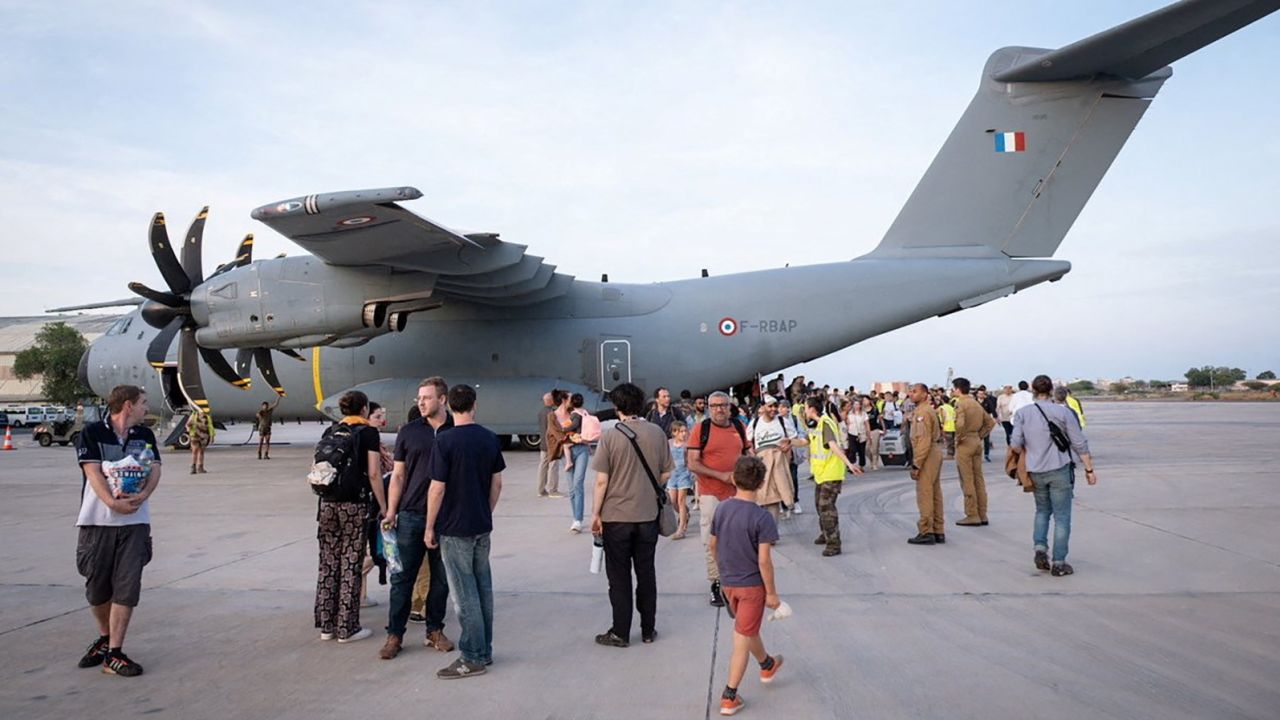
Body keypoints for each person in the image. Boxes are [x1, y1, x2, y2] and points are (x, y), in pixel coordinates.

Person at [74, 385, 161, 677]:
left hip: (134, 524)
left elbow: (155, 470)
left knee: (127, 587)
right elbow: (92, 472)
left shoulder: (145, 436)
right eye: (142, 403)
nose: (146, 408)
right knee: (97, 590)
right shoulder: (93, 433)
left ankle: (114, 652)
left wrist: (143, 496)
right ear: (127, 405)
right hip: (97, 522)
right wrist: (112, 503)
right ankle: (104, 636)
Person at [425, 384, 505, 678]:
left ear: (450, 406)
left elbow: (437, 488)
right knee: (483, 588)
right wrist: (486, 512)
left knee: (463, 593)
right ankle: (484, 650)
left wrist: (430, 526)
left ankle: (471, 656)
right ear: (474, 405)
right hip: (481, 525)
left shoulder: (444, 441)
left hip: (454, 527)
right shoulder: (488, 438)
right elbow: (497, 484)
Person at [377, 378, 456, 660]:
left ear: (443, 400)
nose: (421, 402)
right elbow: (397, 476)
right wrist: (391, 511)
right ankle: (394, 635)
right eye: (419, 398)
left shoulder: (456, 430)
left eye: (427, 397)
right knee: (402, 578)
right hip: (411, 515)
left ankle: (434, 630)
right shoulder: (409, 432)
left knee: (441, 580)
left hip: (447, 518)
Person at [590, 382, 673, 647]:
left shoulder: (611, 436)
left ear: (617, 407)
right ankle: (648, 630)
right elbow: (667, 472)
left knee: (619, 577)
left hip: (616, 517)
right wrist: (650, 489)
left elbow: (602, 481)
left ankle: (620, 632)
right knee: (646, 573)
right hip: (647, 515)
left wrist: (595, 514)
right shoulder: (657, 433)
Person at [710, 456, 786, 716]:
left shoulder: (721, 509)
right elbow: (764, 561)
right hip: (752, 587)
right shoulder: (762, 518)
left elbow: (713, 544)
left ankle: (767, 664)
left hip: (729, 583)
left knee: (746, 627)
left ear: (733, 478)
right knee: (741, 638)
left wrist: (722, 570)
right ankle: (729, 695)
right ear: (762, 483)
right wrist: (772, 593)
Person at [315, 391, 388, 644]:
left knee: (328, 562)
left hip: (326, 504)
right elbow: (374, 473)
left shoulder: (331, 431)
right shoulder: (367, 433)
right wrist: (384, 506)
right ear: (365, 409)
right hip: (354, 506)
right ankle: (347, 627)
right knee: (350, 563)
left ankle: (327, 625)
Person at [1010, 375, 1097, 576]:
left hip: (1035, 470)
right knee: (1062, 516)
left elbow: (1015, 444)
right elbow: (1079, 442)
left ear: (1033, 390)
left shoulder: (1023, 413)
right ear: (1051, 390)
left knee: (1042, 511)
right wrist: (1089, 469)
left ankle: (1040, 549)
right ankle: (1059, 562)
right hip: (1059, 469)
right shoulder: (1063, 412)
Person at [687, 390, 749, 606]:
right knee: (711, 540)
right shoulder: (701, 430)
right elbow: (693, 462)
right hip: (711, 493)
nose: (719, 409)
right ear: (708, 408)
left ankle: (735, 580)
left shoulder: (739, 427)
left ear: (729, 406)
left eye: (722, 405)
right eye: (714, 406)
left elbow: (747, 454)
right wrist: (721, 476)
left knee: (738, 538)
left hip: (738, 494)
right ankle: (716, 583)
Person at [803, 396, 864, 557]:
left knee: (826, 508)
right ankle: (825, 533)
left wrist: (849, 464)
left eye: (805, 407)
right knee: (819, 505)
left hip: (831, 473)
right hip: (821, 474)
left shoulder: (826, 423)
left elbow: (834, 446)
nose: (804, 410)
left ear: (812, 409)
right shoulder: (816, 424)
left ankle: (834, 543)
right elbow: (806, 441)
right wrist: (789, 442)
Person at [360, 402, 395, 609]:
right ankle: (353, 583)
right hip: (374, 504)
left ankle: (360, 596)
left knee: (368, 550)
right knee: (375, 552)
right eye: (377, 416)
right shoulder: (370, 441)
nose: (382, 420)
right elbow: (376, 474)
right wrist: (384, 505)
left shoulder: (374, 441)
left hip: (370, 502)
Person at [951, 378, 995, 527]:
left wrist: (959, 437)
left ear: (957, 389)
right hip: (976, 441)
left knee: (967, 479)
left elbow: (960, 423)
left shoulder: (960, 403)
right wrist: (980, 436)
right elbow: (990, 422)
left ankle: (972, 514)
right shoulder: (976, 403)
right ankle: (982, 514)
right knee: (979, 480)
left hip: (965, 443)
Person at [905, 384, 944, 545]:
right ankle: (937, 529)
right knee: (935, 493)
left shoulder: (922, 412)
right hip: (933, 451)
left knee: (925, 493)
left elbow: (923, 440)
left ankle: (927, 530)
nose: (911, 394)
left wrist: (917, 464)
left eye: (915, 392)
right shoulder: (927, 410)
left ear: (924, 394)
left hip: (927, 454)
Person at [745, 396, 795, 520]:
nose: (773, 409)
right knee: (761, 498)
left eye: (775, 406)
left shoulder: (783, 422)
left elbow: (793, 438)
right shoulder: (755, 423)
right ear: (763, 407)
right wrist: (751, 453)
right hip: (761, 466)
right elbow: (747, 442)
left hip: (779, 464)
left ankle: (771, 533)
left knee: (774, 499)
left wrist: (787, 445)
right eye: (770, 406)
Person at [565, 393, 593, 533]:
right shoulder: (586, 413)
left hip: (579, 447)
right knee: (572, 488)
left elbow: (573, 425)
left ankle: (578, 519)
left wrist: (562, 429)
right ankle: (576, 517)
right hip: (572, 447)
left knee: (577, 484)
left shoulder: (577, 415)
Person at [775, 400, 803, 515]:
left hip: (792, 453)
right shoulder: (775, 420)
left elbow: (800, 433)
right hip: (779, 453)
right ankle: (782, 503)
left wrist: (793, 443)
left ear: (788, 408)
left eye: (783, 407)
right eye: (779, 407)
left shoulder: (795, 419)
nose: (780, 410)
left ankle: (795, 501)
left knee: (793, 477)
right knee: (780, 479)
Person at [668, 422, 694, 538]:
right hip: (672, 474)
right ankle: (685, 514)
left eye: (685, 431)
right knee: (673, 501)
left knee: (681, 501)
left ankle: (681, 528)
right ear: (674, 433)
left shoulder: (688, 445)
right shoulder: (669, 443)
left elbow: (690, 461)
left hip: (684, 473)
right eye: (681, 431)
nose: (684, 434)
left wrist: (692, 474)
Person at [535, 392, 561, 498]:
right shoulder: (552, 413)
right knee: (553, 466)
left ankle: (540, 490)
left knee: (543, 466)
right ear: (551, 401)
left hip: (543, 443)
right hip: (552, 444)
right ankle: (553, 490)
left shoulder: (541, 412)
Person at [186, 407, 214, 474]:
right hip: (195, 436)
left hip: (204, 437)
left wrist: (212, 436)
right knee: (195, 451)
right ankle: (193, 467)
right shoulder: (194, 415)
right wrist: (189, 427)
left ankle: (200, 467)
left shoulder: (207, 416)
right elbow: (187, 425)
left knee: (201, 452)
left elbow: (210, 427)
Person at [844, 399, 870, 470]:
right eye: (855, 404)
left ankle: (861, 465)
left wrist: (868, 434)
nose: (856, 406)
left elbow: (867, 424)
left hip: (862, 434)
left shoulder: (864, 414)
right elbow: (847, 423)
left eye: (858, 404)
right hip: (852, 433)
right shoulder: (850, 413)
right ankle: (852, 464)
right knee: (852, 449)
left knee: (861, 450)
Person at [255, 396, 280, 460]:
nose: (265, 407)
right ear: (262, 406)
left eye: (266, 406)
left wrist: (278, 397)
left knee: (267, 442)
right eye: (264, 406)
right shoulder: (261, 412)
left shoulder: (269, 411)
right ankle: (259, 453)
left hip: (267, 427)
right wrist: (258, 416)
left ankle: (266, 454)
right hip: (262, 428)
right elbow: (257, 415)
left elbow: (275, 404)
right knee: (261, 441)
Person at [977, 387, 997, 461]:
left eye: (982, 394)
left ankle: (986, 455)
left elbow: (992, 409)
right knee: (977, 439)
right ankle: (977, 454)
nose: (980, 395)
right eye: (979, 394)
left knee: (986, 439)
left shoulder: (987, 401)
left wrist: (995, 417)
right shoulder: (975, 402)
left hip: (985, 422)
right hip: (976, 422)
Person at [864, 396, 883, 471]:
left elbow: (880, 419)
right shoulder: (862, 411)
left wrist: (883, 428)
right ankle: (871, 460)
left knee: (874, 448)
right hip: (865, 431)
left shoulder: (875, 410)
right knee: (867, 449)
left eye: (865, 400)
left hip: (875, 429)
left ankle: (875, 463)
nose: (864, 402)